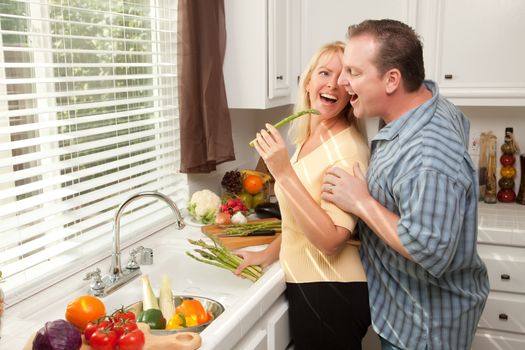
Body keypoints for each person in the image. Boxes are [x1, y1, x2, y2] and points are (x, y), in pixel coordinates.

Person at [321, 19, 490, 350]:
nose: (342, 82)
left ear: (392, 80)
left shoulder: (429, 155)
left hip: (424, 328)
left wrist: (362, 203)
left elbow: (428, 250)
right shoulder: (421, 101)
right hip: (403, 310)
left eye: (353, 72)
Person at [235, 41, 371, 349]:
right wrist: (267, 254)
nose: (333, 84)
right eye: (324, 73)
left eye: (343, 78)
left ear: (351, 92)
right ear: (307, 81)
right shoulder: (311, 137)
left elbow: (333, 239)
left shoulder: (347, 149)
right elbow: (303, 218)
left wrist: (282, 171)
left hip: (332, 290)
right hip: (315, 285)